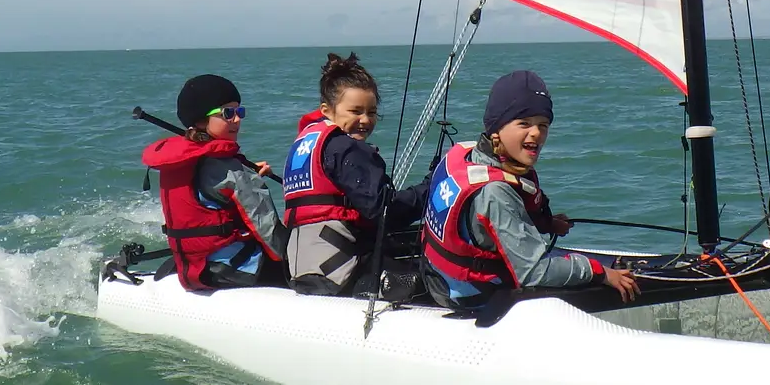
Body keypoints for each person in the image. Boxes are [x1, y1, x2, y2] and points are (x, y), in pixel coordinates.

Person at [420, 70, 640, 309]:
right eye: (524, 123)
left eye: (543, 125)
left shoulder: (470, 156)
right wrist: (600, 273)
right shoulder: (495, 193)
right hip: (472, 294)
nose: (536, 133)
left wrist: (545, 222)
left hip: (436, 274)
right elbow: (534, 272)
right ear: (496, 130)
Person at [281, 53, 426, 295]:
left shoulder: (307, 144)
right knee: (426, 278)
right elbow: (384, 211)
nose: (365, 120)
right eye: (355, 111)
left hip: (302, 269)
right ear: (327, 110)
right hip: (341, 273)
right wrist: (429, 190)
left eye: (372, 112)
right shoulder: (345, 148)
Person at [140, 74, 287, 291]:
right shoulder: (227, 169)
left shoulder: (184, 160)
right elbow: (270, 234)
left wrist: (247, 175)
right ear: (200, 120)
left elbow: (211, 188)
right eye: (228, 113)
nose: (237, 119)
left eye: (239, 112)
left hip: (196, 267)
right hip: (237, 269)